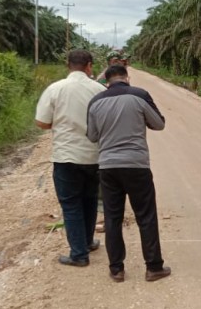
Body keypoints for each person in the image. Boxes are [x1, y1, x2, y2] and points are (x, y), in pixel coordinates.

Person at [86, 64, 170, 282]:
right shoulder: (139, 95)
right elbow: (159, 124)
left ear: (107, 80)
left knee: (113, 218)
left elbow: (92, 136)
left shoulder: (95, 101)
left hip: (107, 167)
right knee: (146, 216)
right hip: (136, 165)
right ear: (127, 77)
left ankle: (116, 269)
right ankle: (153, 267)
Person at [35, 49, 105, 267]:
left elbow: (42, 123)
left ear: (68, 65)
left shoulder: (55, 89)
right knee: (90, 199)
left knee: (71, 204)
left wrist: (61, 122)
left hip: (66, 156)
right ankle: (87, 242)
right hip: (94, 155)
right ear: (89, 66)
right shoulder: (99, 90)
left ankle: (79, 254)